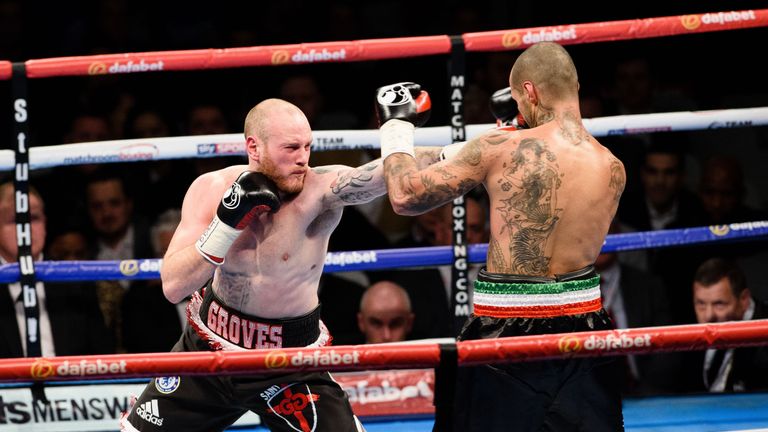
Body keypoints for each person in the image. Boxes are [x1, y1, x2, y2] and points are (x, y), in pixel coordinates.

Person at [121, 98, 442, 431]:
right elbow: (173, 287)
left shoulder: (322, 192)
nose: (302, 158)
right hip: (210, 346)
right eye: (290, 148)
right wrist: (226, 224)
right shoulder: (211, 188)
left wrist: (402, 132)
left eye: (307, 146)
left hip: (290, 363)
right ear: (253, 146)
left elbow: (391, 176)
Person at [375, 42, 625, 431]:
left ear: (529, 92)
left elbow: (405, 196)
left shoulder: (502, 147)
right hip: (586, 326)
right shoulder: (612, 166)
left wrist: (395, 129)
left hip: (507, 328)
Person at [0, 182, 114, 358]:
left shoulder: (75, 284)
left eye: (34, 218)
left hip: (73, 384)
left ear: (45, 222)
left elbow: (103, 357)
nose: (26, 229)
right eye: (16, 220)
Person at [681, 258, 768, 393]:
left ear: (744, 299)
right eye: (701, 304)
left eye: (719, 304)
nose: (709, 315)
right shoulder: (684, 326)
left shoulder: (764, 335)